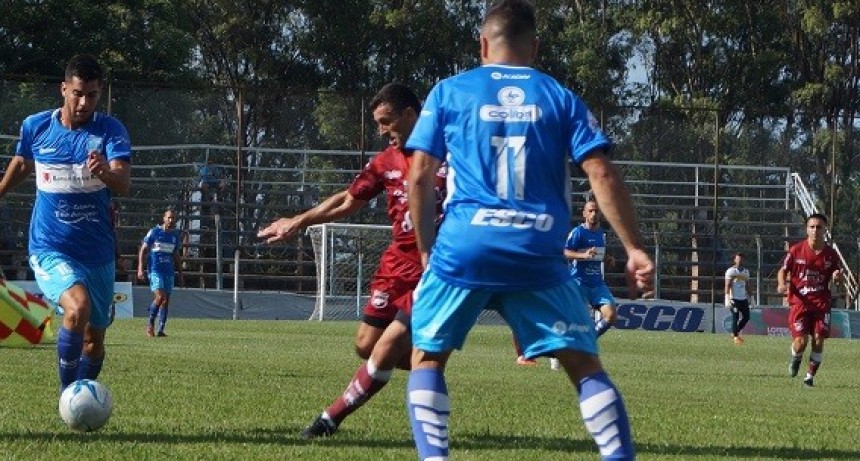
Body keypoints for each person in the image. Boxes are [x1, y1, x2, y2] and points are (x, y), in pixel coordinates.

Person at [404, 2, 653, 459]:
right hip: (536, 251)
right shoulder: (559, 96)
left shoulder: (449, 91)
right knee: (584, 365)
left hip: (465, 248)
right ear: (535, 47)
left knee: (428, 357)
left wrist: (426, 253)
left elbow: (419, 176)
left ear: (482, 44)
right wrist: (634, 247)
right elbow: (602, 174)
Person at [257, 83, 446, 439]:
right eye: (378, 123)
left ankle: (330, 420)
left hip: (437, 265)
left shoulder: (451, 154)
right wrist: (298, 221)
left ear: (410, 114)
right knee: (366, 345)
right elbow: (347, 200)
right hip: (397, 264)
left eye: (387, 121)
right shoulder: (385, 162)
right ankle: (428, 365)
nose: (382, 131)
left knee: (389, 345)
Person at [0, 54, 131, 391]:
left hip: (97, 252)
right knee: (78, 307)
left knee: (93, 342)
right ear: (63, 89)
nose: (84, 102)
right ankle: (66, 396)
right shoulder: (37, 126)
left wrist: (105, 171)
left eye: (92, 94)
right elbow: (23, 162)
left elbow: (123, 183)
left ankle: (81, 397)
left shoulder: (110, 131)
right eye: (77, 93)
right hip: (50, 246)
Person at [777, 213, 842, 387]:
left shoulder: (831, 254)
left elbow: (838, 277)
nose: (815, 230)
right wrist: (782, 284)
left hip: (821, 303)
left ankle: (809, 377)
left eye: (819, 227)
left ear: (825, 230)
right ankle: (796, 357)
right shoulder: (796, 250)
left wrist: (837, 277)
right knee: (800, 343)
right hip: (800, 303)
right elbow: (783, 270)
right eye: (812, 227)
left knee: (819, 339)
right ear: (807, 229)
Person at [564, 199, 618, 337]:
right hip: (578, 282)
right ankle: (561, 349)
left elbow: (598, 254)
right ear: (584, 214)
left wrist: (607, 259)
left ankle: (589, 338)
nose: (594, 214)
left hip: (597, 283)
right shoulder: (578, 232)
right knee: (574, 322)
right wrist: (583, 255)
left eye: (596, 211)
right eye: (590, 211)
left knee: (611, 315)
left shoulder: (601, 234)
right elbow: (565, 252)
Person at [137, 209, 184, 337]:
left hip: (168, 271)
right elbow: (143, 249)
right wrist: (140, 268)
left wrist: (180, 273)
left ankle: (161, 329)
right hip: (155, 270)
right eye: (169, 218)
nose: (171, 220)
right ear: (164, 218)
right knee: (160, 297)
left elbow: (176, 254)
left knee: (165, 301)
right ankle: (150, 323)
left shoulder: (174, 236)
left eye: (173, 218)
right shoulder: (154, 232)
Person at [724, 252, 752, 345]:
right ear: (735, 260)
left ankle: (735, 332)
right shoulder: (731, 271)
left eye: (741, 259)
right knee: (735, 317)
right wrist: (727, 298)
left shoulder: (746, 272)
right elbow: (727, 285)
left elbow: (748, 286)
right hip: (734, 299)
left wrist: (752, 297)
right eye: (738, 259)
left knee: (747, 317)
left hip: (743, 299)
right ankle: (736, 337)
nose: (739, 261)